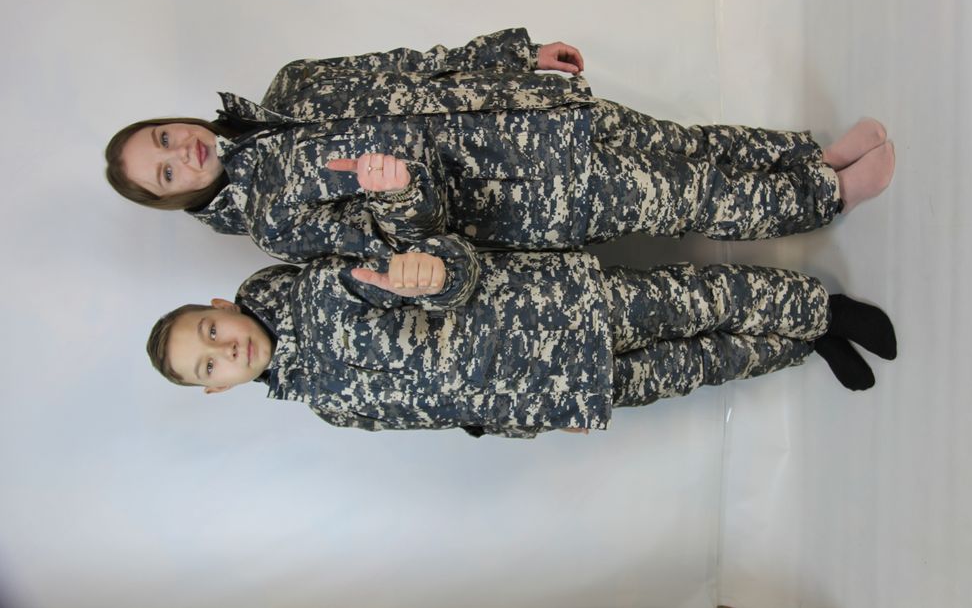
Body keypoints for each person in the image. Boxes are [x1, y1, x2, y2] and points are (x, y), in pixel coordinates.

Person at [106, 28, 895, 263]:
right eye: (165, 171)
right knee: (692, 197)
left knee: (689, 145)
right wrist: (396, 192)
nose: (182, 153)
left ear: (173, 120)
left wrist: (513, 57)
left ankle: (809, 156)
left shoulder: (292, 85)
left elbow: (413, 64)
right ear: (174, 197)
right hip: (523, 196)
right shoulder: (276, 222)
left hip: (527, 110)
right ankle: (831, 195)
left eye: (163, 137)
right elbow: (408, 244)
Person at [145, 236, 897, 438]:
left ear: (222, 306)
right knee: (703, 362)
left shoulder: (317, 283)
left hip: (550, 308)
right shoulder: (328, 407)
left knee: (696, 298)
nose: (226, 350)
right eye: (208, 365)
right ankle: (805, 343)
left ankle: (822, 308)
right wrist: (527, 421)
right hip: (554, 390)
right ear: (218, 389)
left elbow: (424, 257)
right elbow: (445, 414)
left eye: (210, 331)